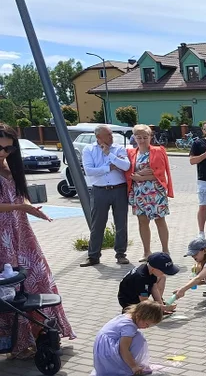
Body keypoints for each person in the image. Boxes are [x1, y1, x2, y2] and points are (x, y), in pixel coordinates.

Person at [0, 125, 75, 358]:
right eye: (0, 147)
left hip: (21, 233)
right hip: (3, 237)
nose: (4, 152)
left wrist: (29, 208)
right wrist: (21, 207)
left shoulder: (9, 166)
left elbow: (16, 196)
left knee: (35, 280)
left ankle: (43, 333)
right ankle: (18, 343)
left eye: (9, 148)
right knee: (10, 288)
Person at [81, 125, 131, 267]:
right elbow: (89, 171)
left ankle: (121, 253)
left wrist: (110, 154)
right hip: (100, 191)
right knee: (97, 224)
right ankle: (93, 256)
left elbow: (125, 166)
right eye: (108, 135)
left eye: (111, 134)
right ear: (98, 137)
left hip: (119, 189)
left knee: (121, 223)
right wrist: (109, 167)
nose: (111, 137)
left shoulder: (118, 148)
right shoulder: (88, 149)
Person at [127, 124, 174, 260]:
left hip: (155, 191)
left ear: (150, 137)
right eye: (139, 137)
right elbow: (127, 172)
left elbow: (160, 174)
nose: (142, 140)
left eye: (145, 137)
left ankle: (165, 251)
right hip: (139, 192)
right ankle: (147, 252)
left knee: (160, 220)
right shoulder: (131, 153)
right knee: (142, 221)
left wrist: (141, 177)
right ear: (134, 138)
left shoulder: (158, 151)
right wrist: (138, 175)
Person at [93, 300, 164, 376]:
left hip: (103, 349)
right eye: (147, 324)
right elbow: (123, 349)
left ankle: (126, 363)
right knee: (138, 339)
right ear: (139, 315)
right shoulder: (129, 327)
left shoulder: (128, 315)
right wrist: (133, 366)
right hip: (107, 353)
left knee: (136, 336)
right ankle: (125, 366)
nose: (147, 327)